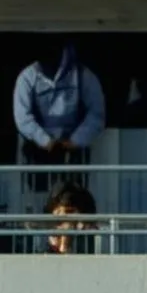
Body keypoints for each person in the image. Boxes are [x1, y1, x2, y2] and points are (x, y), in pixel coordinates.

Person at [13, 39, 105, 194]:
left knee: (74, 198)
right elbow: (22, 117)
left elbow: (96, 114)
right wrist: (45, 140)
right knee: (38, 198)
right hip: (38, 153)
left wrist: (75, 141)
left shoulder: (83, 75)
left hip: (74, 154)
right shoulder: (27, 77)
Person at [43, 181, 98, 256]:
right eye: (58, 211)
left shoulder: (88, 235)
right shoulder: (44, 233)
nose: (62, 215)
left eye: (69, 211)